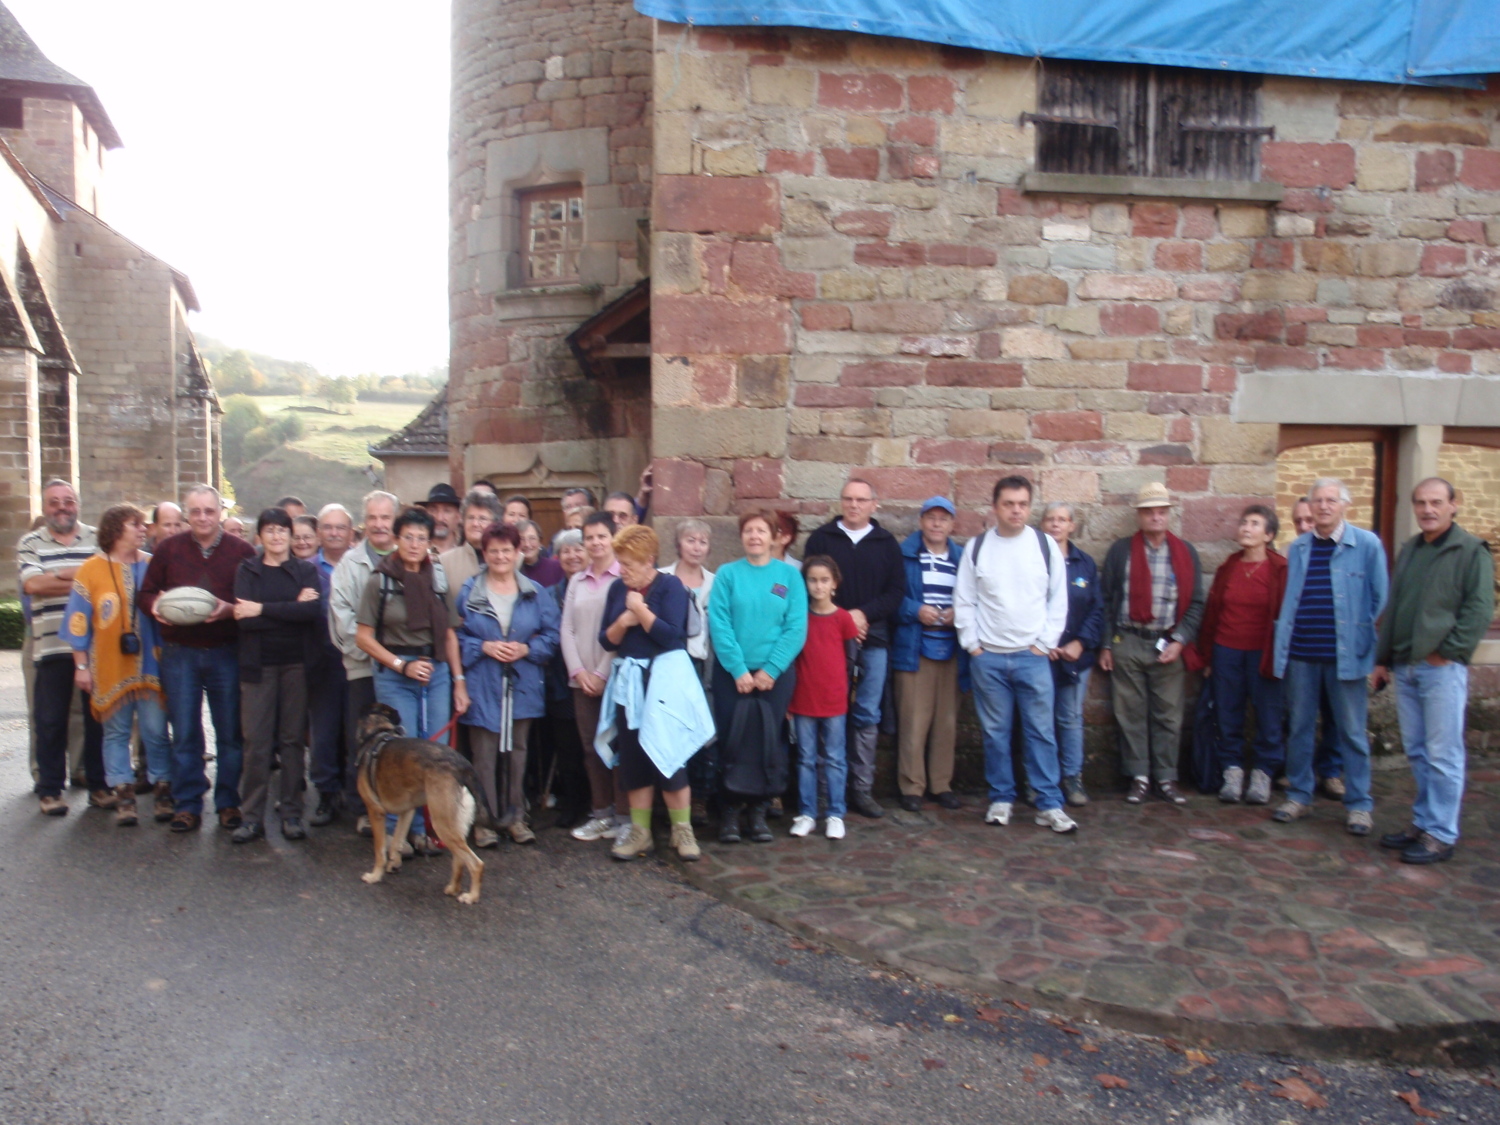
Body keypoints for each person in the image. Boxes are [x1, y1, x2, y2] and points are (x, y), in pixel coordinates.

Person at [1372, 478, 1494, 864]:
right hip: (1407, 667)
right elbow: (1396, 607)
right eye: (1421, 503)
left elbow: (1478, 610)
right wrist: (1382, 658)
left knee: (1444, 754)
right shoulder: (1410, 549)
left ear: (1454, 505)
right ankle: (1424, 823)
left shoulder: (1471, 551)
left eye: (1437, 502)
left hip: (1440, 669)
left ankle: (1441, 833)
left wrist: (1449, 653)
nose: (1428, 509)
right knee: (1420, 753)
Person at [954, 477, 1076, 834]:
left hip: (1032, 656)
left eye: (1022, 503)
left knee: (1041, 732)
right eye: (1009, 503)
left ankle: (1049, 803)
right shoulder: (978, 548)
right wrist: (973, 645)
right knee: (995, 733)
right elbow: (965, 600)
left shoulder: (1044, 546)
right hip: (988, 657)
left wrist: (1044, 642)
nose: (1016, 510)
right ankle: (1001, 798)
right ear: (995, 507)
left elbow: (1058, 598)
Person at [1272, 478, 1388, 835]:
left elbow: (1379, 598)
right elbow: (1292, 599)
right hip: (1303, 654)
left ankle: (1359, 804)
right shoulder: (1300, 547)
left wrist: (1363, 642)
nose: (1323, 506)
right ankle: (1300, 795)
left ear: (1344, 505)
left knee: (1352, 733)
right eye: (1317, 501)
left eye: (1331, 501)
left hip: (1346, 657)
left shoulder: (1366, 544)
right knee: (1301, 729)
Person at [140, 484, 257, 832]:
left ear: (221, 512)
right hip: (180, 654)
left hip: (226, 652)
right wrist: (155, 607)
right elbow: (145, 593)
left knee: (230, 733)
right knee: (186, 733)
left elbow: (253, 604)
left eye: (209, 510)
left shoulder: (243, 551)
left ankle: (228, 803)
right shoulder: (168, 550)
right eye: (195, 511)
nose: (203, 517)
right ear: (186, 514)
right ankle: (187, 803)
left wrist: (228, 610)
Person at [355, 507, 469, 853]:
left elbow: (449, 635)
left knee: (435, 754)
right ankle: (398, 833)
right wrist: (401, 665)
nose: (416, 544)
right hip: (395, 673)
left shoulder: (436, 579)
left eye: (422, 538)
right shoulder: (380, 580)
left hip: (435, 673)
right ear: (396, 539)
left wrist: (459, 681)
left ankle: (432, 829)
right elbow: (363, 636)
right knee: (400, 754)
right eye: (409, 537)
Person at [596, 524, 710, 861]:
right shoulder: (617, 589)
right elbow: (606, 639)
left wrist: (642, 611)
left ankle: (682, 830)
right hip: (629, 684)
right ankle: (640, 832)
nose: (623, 570)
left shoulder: (670, 586)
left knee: (670, 755)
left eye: (629, 563)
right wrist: (625, 621)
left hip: (664, 681)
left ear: (649, 560)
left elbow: (671, 636)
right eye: (621, 563)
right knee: (633, 759)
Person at [1098, 482, 1206, 806]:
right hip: (1128, 640)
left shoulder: (1185, 553)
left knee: (1168, 715)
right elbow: (1106, 599)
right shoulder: (1121, 551)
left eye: (1162, 511)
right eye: (1149, 512)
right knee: (1130, 713)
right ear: (1140, 516)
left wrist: (1180, 640)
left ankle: (1166, 776)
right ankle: (1139, 776)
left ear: (1169, 514)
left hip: (1167, 643)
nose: (1156, 517)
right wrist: (1106, 645)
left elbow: (1197, 603)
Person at [804, 478, 906, 819]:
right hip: (826, 642)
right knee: (824, 712)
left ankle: (861, 789)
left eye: (861, 500)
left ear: (874, 504)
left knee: (866, 715)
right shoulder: (822, 539)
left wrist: (862, 616)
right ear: (841, 501)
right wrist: (843, 618)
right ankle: (822, 793)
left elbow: (895, 592)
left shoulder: (886, 543)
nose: (854, 505)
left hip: (873, 638)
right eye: (848, 498)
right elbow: (812, 587)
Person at [457, 522, 560, 847]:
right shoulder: (470, 590)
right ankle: (484, 822)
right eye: (493, 551)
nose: (500, 556)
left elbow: (553, 634)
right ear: (484, 554)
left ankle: (516, 817)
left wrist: (528, 649)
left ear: (518, 552)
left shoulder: (534, 591)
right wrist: (483, 647)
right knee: (484, 754)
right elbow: (455, 636)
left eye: (507, 550)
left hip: (522, 681)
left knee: (518, 751)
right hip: (482, 681)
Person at [708, 509, 808, 844]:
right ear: (742, 536)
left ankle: (759, 811)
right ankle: (730, 813)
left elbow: (796, 627)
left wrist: (771, 670)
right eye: (748, 530)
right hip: (731, 675)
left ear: (775, 536)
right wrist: (739, 669)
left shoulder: (789, 577)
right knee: (733, 741)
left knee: (769, 742)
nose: (754, 536)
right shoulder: (727, 575)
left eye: (761, 531)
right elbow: (719, 624)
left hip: (774, 678)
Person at [62, 502, 163, 825]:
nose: (142, 529)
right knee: (116, 733)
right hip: (109, 665)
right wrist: (81, 666)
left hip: (152, 664)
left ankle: (163, 789)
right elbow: (79, 620)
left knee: (156, 731)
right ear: (117, 528)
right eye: (136, 524)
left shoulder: (153, 565)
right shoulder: (91, 569)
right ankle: (124, 794)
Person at [231, 509, 324, 843]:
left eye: (282, 530)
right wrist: (289, 609)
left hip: (296, 664)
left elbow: (311, 612)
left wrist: (264, 608)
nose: (276, 537)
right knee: (256, 742)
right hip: (258, 666)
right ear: (260, 536)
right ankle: (251, 816)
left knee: (291, 741)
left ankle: (292, 813)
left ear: (290, 534)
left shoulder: (305, 570)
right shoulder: (248, 569)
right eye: (269, 530)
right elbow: (244, 619)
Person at [1187, 505, 1287, 805]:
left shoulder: (1281, 570)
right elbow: (1213, 614)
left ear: (1268, 535)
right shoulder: (1229, 567)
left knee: (1268, 715)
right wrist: (1207, 657)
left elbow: (1286, 615)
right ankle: (1231, 770)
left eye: (1255, 524)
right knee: (1227, 713)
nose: (1246, 528)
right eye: (1244, 522)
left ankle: (1262, 773)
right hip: (1226, 650)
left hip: (1263, 653)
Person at [330, 490, 404, 837]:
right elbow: (341, 618)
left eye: (385, 518)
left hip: (402, 668)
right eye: (372, 518)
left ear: (395, 520)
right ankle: (363, 810)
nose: (378, 524)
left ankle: (399, 810)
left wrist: (397, 655)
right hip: (362, 666)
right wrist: (376, 649)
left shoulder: (413, 558)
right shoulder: (349, 565)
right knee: (361, 740)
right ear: (365, 522)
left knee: (398, 741)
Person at [892, 496, 968, 812]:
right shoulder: (904, 555)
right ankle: (912, 786)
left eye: (943, 518)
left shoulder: (963, 558)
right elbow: (891, 596)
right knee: (913, 719)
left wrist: (958, 613)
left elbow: (976, 598)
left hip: (951, 647)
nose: (937, 524)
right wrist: (914, 609)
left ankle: (941, 783)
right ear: (922, 521)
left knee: (946, 720)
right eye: (931, 517)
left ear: (952, 524)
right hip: (914, 646)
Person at [561, 511, 624, 841]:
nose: (595, 543)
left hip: (613, 677)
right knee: (591, 748)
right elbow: (567, 628)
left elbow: (621, 632)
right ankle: (601, 813)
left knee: (618, 746)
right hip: (581, 680)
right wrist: (579, 672)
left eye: (601, 536)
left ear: (613, 537)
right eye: (589, 537)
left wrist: (600, 672)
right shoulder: (577, 581)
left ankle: (625, 816)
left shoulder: (624, 577)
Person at [1036, 502, 1102, 807]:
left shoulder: (1084, 563)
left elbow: (1096, 609)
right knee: (1039, 720)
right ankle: (1040, 780)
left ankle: (1072, 777)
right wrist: (1042, 641)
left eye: (1062, 520)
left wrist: (1081, 643)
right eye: (1050, 519)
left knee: (1070, 718)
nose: (1055, 524)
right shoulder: (1033, 561)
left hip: (1076, 655)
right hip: (1040, 654)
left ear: (1072, 526)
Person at [788, 556, 857, 839]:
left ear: (834, 584)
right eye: (813, 580)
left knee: (836, 758)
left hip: (834, 700)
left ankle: (835, 814)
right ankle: (807, 813)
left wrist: (849, 691)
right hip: (804, 698)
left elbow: (852, 659)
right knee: (805, 758)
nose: (818, 586)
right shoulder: (799, 617)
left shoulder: (843, 619)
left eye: (824, 580)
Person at [660, 519, 716, 821]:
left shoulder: (715, 582)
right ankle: (673, 799)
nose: (697, 547)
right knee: (674, 731)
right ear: (679, 544)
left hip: (704, 665)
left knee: (705, 733)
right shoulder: (662, 578)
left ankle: (700, 799)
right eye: (690, 540)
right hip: (670, 663)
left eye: (702, 541)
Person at [1292, 495, 1344, 799]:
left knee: (1337, 718)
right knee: (1300, 720)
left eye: (1307, 520)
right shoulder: (1295, 553)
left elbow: (1376, 598)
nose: (1303, 525)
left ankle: (1331, 772)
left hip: (1338, 651)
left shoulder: (1350, 549)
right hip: (1303, 651)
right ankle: (1301, 778)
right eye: (1298, 521)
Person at [309, 503, 357, 826]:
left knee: (356, 732)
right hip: (321, 659)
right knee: (324, 731)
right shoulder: (305, 569)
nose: (335, 532)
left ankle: (358, 796)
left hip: (358, 658)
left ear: (351, 532)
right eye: (328, 527)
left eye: (340, 527)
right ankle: (326, 794)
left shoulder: (362, 565)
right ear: (318, 533)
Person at [543, 529, 591, 827]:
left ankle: (599, 804)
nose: (573, 556)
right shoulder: (550, 595)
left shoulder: (601, 588)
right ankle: (573, 804)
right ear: (557, 557)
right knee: (567, 747)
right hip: (561, 681)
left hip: (597, 677)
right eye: (566, 551)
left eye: (578, 549)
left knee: (594, 745)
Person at [441, 488, 504, 596]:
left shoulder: (513, 559)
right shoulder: (445, 562)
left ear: (494, 523)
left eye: (482, 519)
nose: (475, 524)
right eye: (470, 518)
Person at [416, 482, 463, 552]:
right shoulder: (416, 549)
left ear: (458, 516)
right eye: (433, 510)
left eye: (447, 511)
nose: (439, 518)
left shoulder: (467, 550)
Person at [518, 519, 565, 587]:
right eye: (521, 539)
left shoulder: (556, 568)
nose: (527, 544)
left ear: (540, 542)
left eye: (532, 538)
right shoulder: (512, 571)